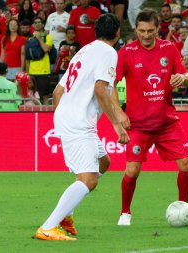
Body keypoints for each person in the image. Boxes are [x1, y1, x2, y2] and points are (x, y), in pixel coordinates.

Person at [35, 13, 129, 241]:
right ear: (117, 33)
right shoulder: (108, 52)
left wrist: (64, 118)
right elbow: (100, 89)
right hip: (78, 122)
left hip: (67, 116)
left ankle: (66, 215)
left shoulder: (83, 51)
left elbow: (58, 91)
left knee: (104, 162)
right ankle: (48, 227)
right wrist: (117, 125)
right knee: (88, 179)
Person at [111, 9, 188, 226]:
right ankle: (125, 212)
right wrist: (119, 112)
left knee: (187, 164)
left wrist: (183, 79)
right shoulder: (126, 51)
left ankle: (184, 208)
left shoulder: (168, 49)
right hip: (138, 124)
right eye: (142, 31)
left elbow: (187, 77)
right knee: (132, 169)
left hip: (166, 122)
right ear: (136, 29)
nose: (146, 35)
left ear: (158, 29)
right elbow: (110, 83)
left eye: (150, 30)